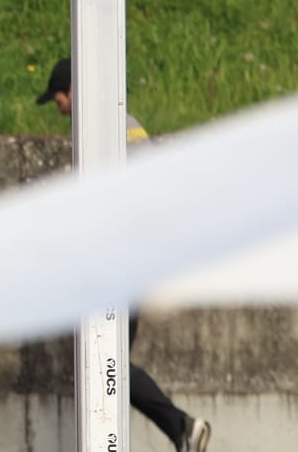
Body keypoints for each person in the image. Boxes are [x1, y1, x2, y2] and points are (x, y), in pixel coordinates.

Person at [37, 56, 214, 452]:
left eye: (58, 98)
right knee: (106, 366)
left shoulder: (105, 130)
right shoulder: (122, 125)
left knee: (105, 362)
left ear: (72, 91)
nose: (58, 107)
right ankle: (179, 429)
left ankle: (179, 426)